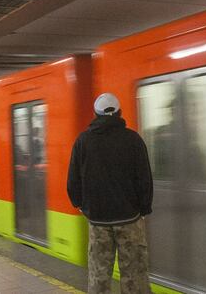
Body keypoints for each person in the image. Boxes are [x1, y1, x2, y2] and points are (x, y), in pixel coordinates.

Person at [67, 93, 154, 294]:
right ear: (119, 113)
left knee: (99, 274)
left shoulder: (83, 141)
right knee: (134, 274)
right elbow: (144, 178)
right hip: (130, 218)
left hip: (97, 220)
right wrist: (144, 208)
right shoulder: (133, 139)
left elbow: (73, 180)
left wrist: (80, 204)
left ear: (96, 115)